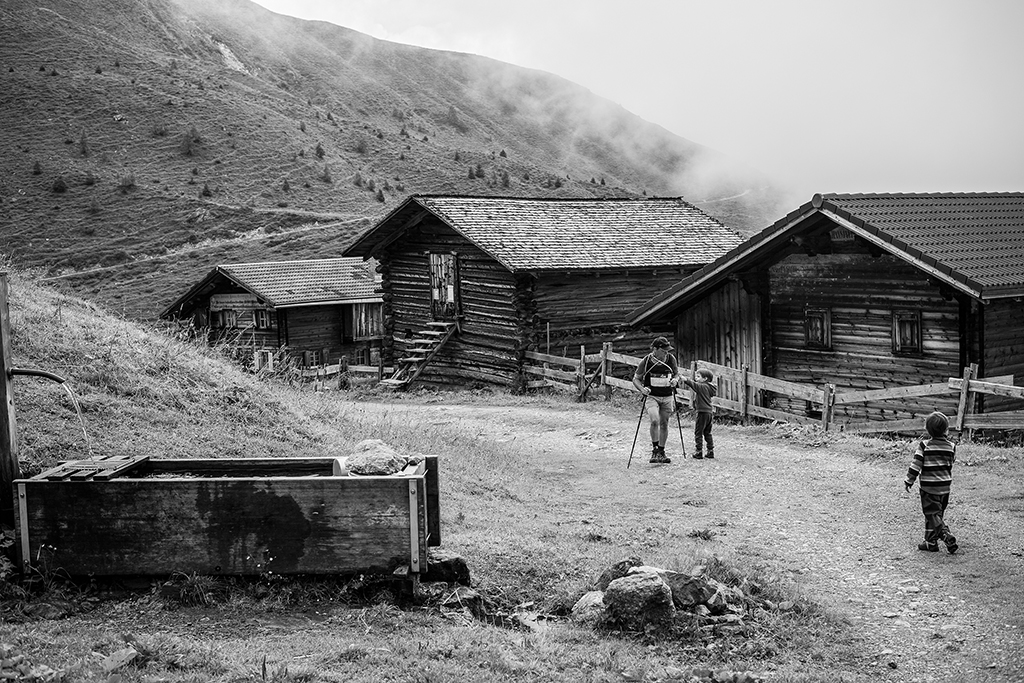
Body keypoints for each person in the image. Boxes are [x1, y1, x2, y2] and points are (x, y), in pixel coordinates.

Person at [904, 411, 959, 554]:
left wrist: (909, 480)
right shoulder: (951, 446)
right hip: (945, 488)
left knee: (931, 514)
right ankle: (930, 542)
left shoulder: (924, 445)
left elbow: (916, 465)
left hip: (929, 488)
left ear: (927, 430)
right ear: (946, 429)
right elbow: (950, 462)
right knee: (935, 515)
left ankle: (945, 534)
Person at [632, 336, 681, 464]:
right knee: (655, 420)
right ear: (655, 349)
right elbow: (636, 379)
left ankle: (661, 451)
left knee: (664, 423)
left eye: (667, 350)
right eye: (663, 350)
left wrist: (675, 380)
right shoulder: (647, 360)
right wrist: (642, 389)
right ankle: (654, 450)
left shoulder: (671, 359)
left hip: (667, 396)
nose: (666, 352)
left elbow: (676, 373)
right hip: (652, 396)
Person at [680, 368, 717, 459]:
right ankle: (710, 451)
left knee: (698, 432)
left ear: (705, 379)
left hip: (702, 412)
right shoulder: (709, 387)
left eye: (698, 376)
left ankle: (699, 452)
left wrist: (684, 378)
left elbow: (693, 384)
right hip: (709, 412)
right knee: (707, 432)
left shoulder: (702, 386)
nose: (696, 378)